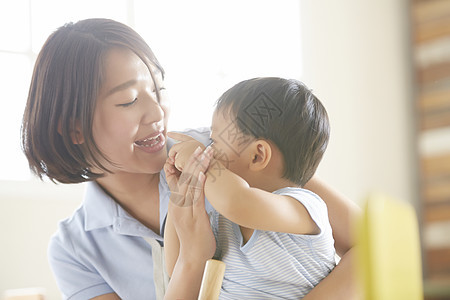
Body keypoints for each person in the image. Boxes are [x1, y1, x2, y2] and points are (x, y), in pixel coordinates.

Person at [21, 18, 360, 300]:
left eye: (159, 90)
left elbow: (375, 245)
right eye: (128, 100)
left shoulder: (228, 151)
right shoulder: (75, 251)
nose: (157, 113)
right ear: (74, 128)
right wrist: (191, 260)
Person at [165, 77, 336, 298]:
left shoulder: (304, 208)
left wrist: (198, 160)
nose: (209, 150)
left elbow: (236, 200)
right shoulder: (224, 221)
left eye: (214, 143)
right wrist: (180, 193)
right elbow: (177, 264)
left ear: (257, 156)